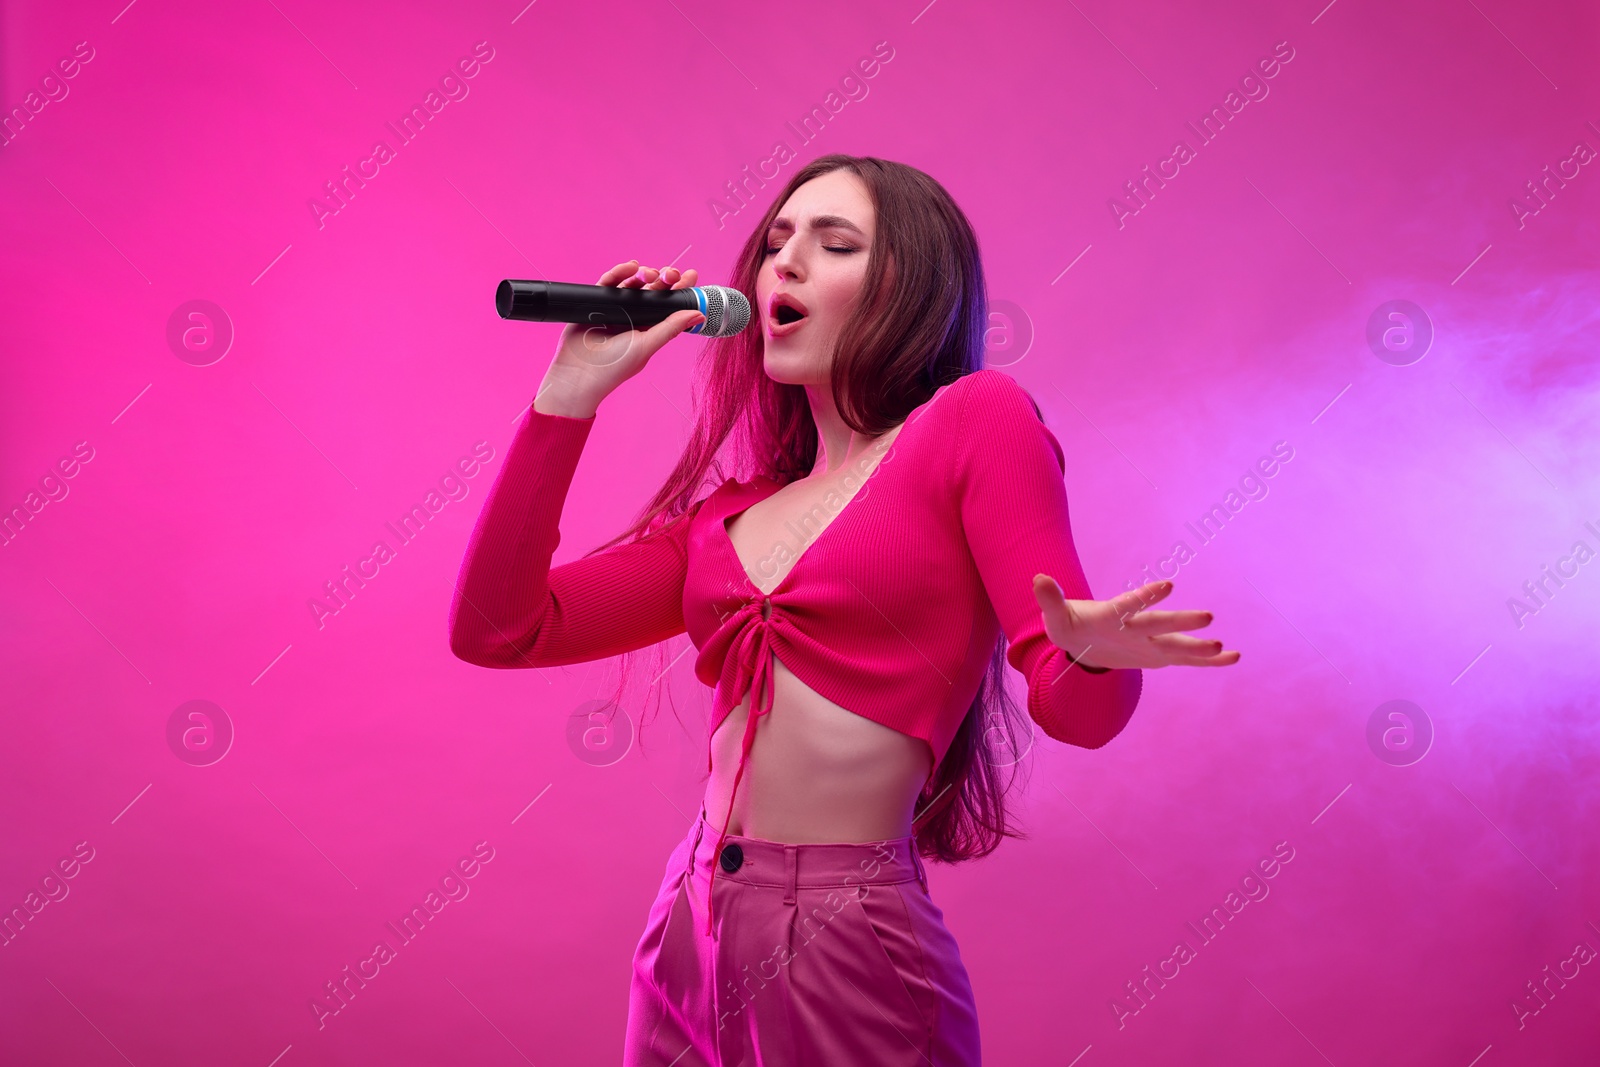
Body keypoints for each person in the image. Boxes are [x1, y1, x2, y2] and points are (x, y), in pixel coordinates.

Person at [449, 154, 1239, 1066]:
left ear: (908, 289)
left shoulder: (975, 421)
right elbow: (499, 629)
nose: (782, 263)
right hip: (687, 928)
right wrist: (568, 397)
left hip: (844, 942)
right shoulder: (724, 517)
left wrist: (1093, 653)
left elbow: (1080, 710)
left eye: (834, 244)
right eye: (776, 241)